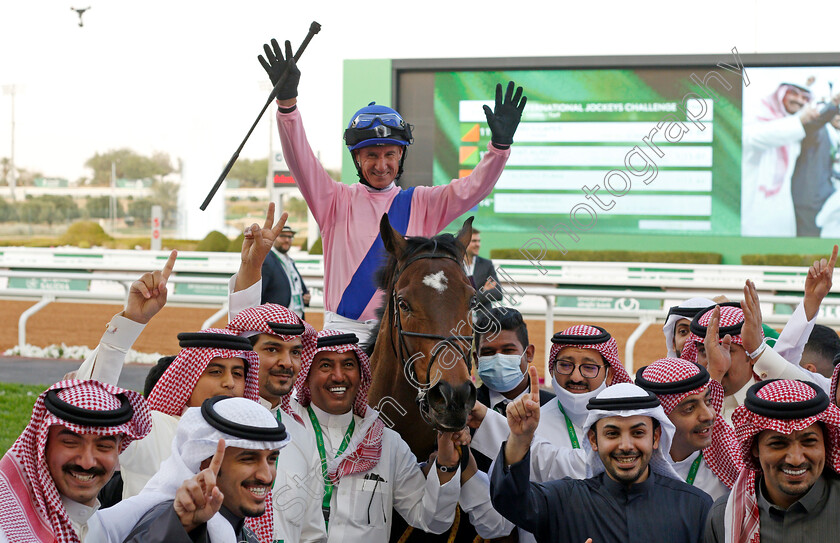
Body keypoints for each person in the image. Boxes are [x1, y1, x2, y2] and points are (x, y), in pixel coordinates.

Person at [258, 38, 526, 344]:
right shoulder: (333, 199)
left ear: (401, 156)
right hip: (342, 337)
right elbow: (300, 158)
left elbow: (473, 189)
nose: (381, 164)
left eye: (390, 155)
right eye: (371, 155)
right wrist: (288, 104)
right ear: (357, 158)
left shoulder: (423, 202)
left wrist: (499, 148)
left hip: (403, 337)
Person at [490, 375, 712, 543]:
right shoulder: (564, 501)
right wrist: (520, 438)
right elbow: (510, 500)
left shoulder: (695, 506)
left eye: (637, 433)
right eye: (612, 434)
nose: (626, 446)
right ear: (593, 440)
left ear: (655, 438)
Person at [290, 329, 463, 541]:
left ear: (361, 376)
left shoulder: (388, 443)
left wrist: (446, 463)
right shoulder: (288, 433)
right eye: (325, 365)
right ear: (306, 376)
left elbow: (432, 520)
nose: (338, 376)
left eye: (348, 365)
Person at [118, 396, 290, 542]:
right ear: (206, 463)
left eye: (271, 459)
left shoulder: (243, 532)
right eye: (248, 459)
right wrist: (182, 526)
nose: (266, 477)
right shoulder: (170, 522)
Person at [226, 303, 328, 543]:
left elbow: (311, 534)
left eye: (295, 352)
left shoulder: (301, 433)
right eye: (273, 349)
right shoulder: (214, 426)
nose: (287, 362)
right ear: (244, 355)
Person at [0, 380, 151, 542]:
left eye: (103, 446)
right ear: (43, 444)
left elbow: (159, 493)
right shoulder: (7, 530)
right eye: (70, 443)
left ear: (119, 449)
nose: (87, 462)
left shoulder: (98, 527)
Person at [117, 329, 261, 500]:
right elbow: (93, 412)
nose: (230, 383)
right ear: (188, 380)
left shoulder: (248, 442)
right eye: (215, 372)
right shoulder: (153, 429)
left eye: (237, 374)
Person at [704, 379, 840, 543]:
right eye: (778, 444)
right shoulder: (724, 517)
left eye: (809, 442)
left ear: (826, 443)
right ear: (755, 448)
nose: (795, 459)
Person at [635, 358, 744, 500]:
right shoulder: (634, 472)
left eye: (708, 402)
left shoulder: (729, 470)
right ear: (660, 419)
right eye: (690, 409)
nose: (708, 415)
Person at [742, 82, 819, 237]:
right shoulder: (758, 117)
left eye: (805, 97)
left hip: (782, 213)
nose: (799, 100)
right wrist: (799, 120)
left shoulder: (794, 127)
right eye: (794, 93)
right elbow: (753, 138)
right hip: (754, 211)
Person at [791, 94, 840, 236]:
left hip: (826, 198)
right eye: (836, 114)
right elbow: (813, 123)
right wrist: (832, 105)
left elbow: (827, 167)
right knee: (809, 250)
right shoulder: (816, 131)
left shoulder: (834, 137)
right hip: (809, 202)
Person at [260, 225, 310, 319]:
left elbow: (299, 288)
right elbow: (259, 294)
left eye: (290, 237)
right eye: (282, 236)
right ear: (274, 237)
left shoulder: (290, 261)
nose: (287, 240)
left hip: (297, 320)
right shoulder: (267, 260)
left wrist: (306, 297)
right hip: (278, 322)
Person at [463, 228, 501, 312]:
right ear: (463, 242)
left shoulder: (486, 264)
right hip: (461, 319)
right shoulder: (454, 265)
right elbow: (456, 297)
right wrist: (483, 291)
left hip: (484, 319)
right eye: (474, 241)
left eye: (479, 241)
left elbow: (498, 293)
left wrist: (471, 298)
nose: (478, 244)